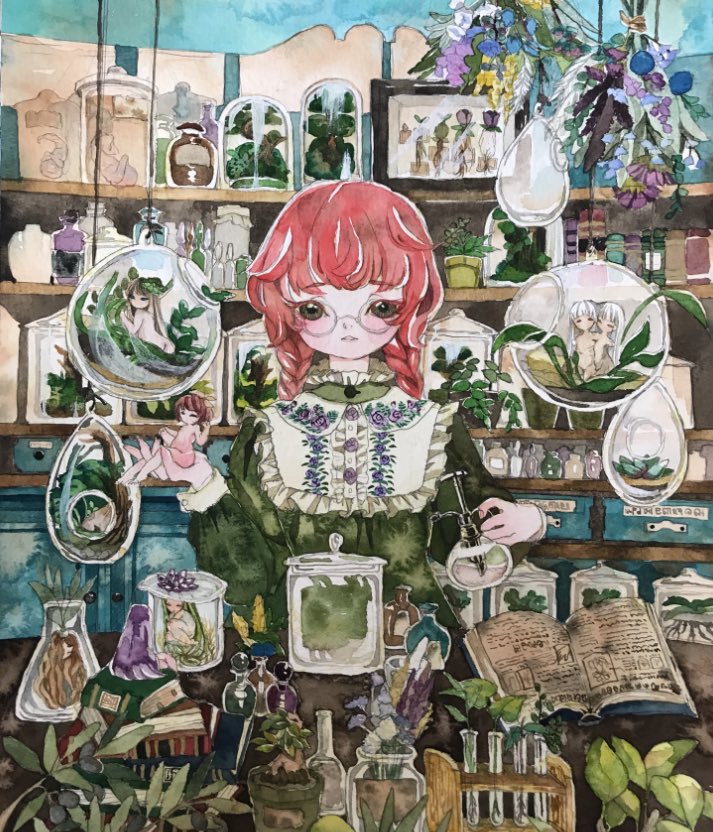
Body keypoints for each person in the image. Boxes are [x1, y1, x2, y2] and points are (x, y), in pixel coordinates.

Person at [185, 181, 546, 624]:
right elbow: (247, 579)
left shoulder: (430, 423)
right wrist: (200, 479)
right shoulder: (270, 429)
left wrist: (526, 521)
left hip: (413, 637)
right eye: (315, 309)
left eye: (380, 308)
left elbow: (464, 541)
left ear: (411, 303)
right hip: (299, 642)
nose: (349, 328)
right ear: (286, 307)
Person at [120, 393, 213, 488]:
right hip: (177, 454)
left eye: (192, 415)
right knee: (156, 455)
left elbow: (200, 442)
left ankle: (141, 475)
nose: (186, 417)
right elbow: (178, 436)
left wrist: (206, 429)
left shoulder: (195, 427)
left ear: (200, 416)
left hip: (184, 456)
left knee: (160, 451)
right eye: (183, 413)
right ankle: (133, 477)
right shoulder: (185, 427)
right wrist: (167, 430)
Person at [120, 277, 175, 354]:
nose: (136, 302)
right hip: (161, 343)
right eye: (132, 297)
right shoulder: (146, 314)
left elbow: (132, 330)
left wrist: (123, 316)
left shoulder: (140, 313)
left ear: (151, 299)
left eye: (143, 299)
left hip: (155, 343)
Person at [569, 299, 599, 381]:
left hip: (590, 367)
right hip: (579, 366)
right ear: (574, 323)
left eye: (590, 319)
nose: (585, 323)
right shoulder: (577, 339)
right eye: (579, 320)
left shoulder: (595, 336)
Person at [594, 301, 625, 377]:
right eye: (599, 320)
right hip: (598, 363)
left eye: (609, 325)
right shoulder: (597, 336)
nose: (602, 324)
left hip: (604, 365)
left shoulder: (607, 340)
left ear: (614, 327)